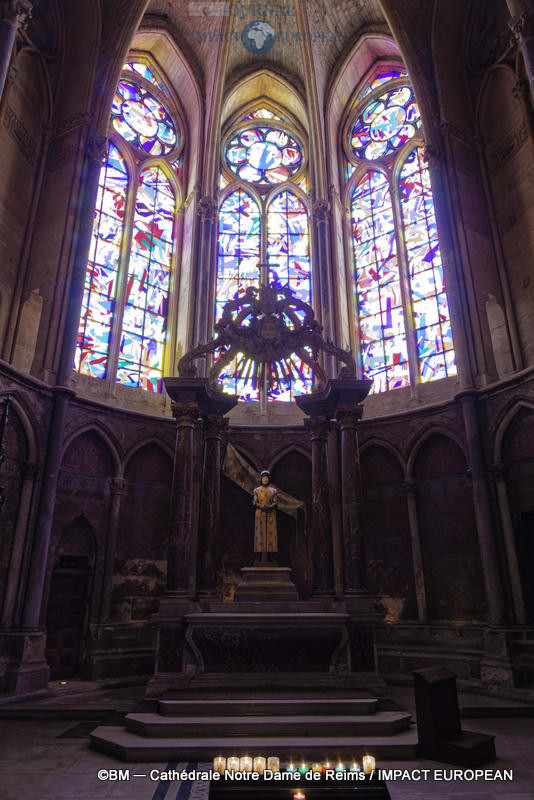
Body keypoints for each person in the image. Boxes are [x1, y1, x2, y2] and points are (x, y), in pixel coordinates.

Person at [253, 470, 278, 563]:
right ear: (261, 479)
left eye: (267, 478)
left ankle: (270, 556)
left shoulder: (274, 490)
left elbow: (275, 502)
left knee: (270, 534)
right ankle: (259, 556)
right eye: (263, 478)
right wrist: (261, 506)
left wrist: (269, 506)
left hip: (271, 513)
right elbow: (254, 502)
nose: (265, 479)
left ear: (269, 479)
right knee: (260, 534)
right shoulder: (256, 490)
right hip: (260, 513)